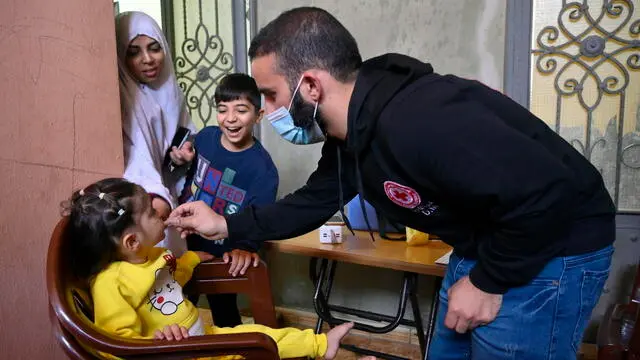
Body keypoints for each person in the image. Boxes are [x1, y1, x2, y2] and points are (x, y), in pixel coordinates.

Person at [166, 7, 616, 360]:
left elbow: (547, 194)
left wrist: (487, 282)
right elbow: (311, 203)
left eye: (270, 95)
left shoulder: (420, 118)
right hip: (489, 240)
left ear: (310, 86)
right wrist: (224, 225)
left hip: (554, 244)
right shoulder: (353, 134)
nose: (268, 109)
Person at [61, 177, 353, 360]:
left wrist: (192, 260)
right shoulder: (110, 284)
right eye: (151, 213)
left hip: (206, 337)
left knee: (263, 336)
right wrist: (155, 343)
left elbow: (171, 277)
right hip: (182, 354)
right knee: (255, 346)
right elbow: (115, 345)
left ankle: (320, 344)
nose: (159, 213)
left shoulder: (152, 255)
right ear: (132, 240)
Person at [176, 73, 279, 327]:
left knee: (224, 314)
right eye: (223, 110)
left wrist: (245, 246)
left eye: (241, 110)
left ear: (259, 115)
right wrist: (179, 157)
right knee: (174, 306)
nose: (230, 118)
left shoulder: (263, 170)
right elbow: (183, 167)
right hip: (183, 243)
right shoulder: (205, 138)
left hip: (222, 255)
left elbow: (259, 218)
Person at [116, 11, 196, 254]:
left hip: (168, 203)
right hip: (145, 206)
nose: (148, 59)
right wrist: (154, 197)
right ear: (120, 55)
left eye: (154, 48)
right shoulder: (121, 98)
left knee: (176, 280)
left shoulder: (171, 92)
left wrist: (182, 156)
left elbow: (184, 136)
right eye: (134, 52)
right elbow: (134, 155)